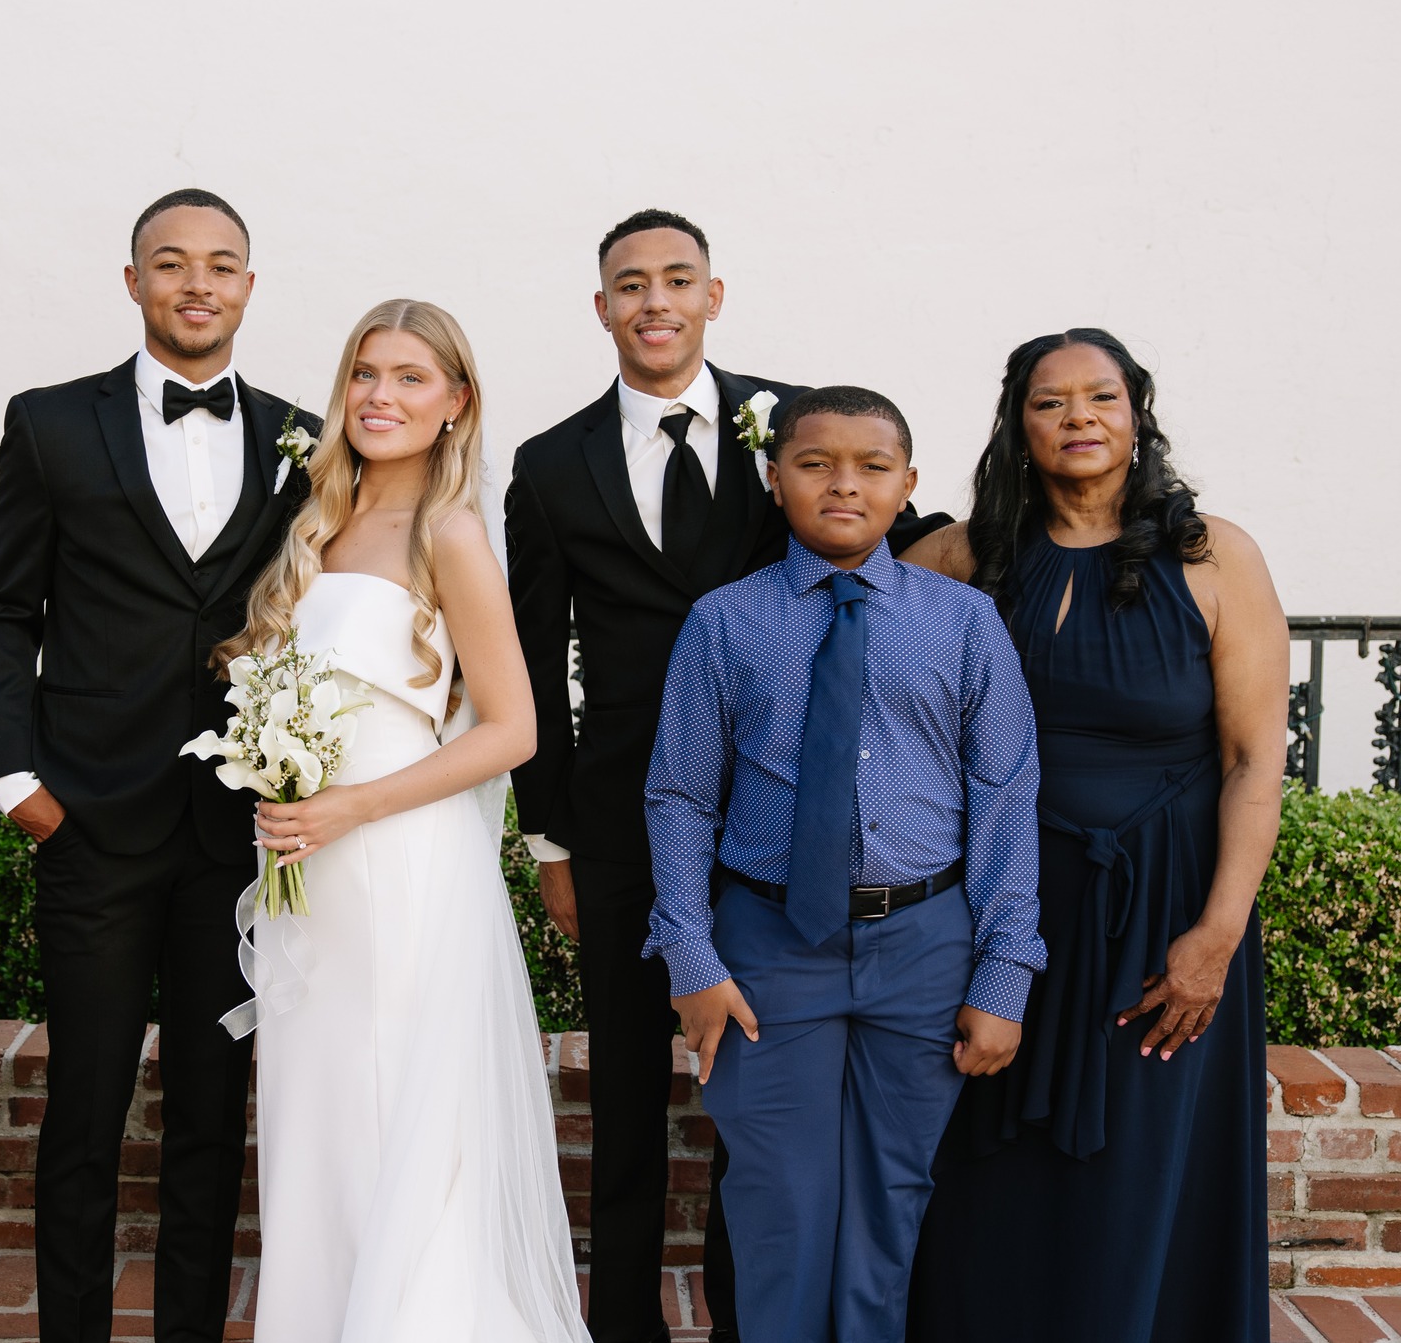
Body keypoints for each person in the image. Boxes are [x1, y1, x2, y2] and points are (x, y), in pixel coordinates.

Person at [504, 209, 947, 1343]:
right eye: (629, 284)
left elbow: (896, 535)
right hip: (621, 814)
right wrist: (549, 837)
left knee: (761, 1094)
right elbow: (530, 658)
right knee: (625, 1087)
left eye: (676, 279)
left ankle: (751, 1320)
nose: (653, 300)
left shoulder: (799, 428)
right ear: (601, 306)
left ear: (713, 296)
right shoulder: (548, 465)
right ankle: (623, 1322)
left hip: (778, 819)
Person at [0, 189, 318, 1343]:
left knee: (212, 1120)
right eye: (171, 263)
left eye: (220, 264)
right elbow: (6, 614)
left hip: (233, 837)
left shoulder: (302, 437)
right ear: (133, 282)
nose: (196, 283)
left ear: (248, 287)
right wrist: (15, 782)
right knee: (84, 1110)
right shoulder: (49, 423)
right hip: (88, 819)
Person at [904, 329, 1284, 1343]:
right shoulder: (959, 558)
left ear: (1135, 415)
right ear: (1016, 426)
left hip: (1162, 912)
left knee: (1140, 1161)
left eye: (1100, 397)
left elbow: (1253, 760)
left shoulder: (1214, 556)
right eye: (1049, 402)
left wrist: (1215, 938)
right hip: (1001, 906)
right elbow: (852, 654)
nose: (1077, 417)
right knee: (987, 1156)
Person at [645, 386, 1046, 1343]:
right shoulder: (724, 622)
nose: (844, 484)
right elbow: (681, 797)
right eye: (816, 463)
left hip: (924, 944)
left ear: (908, 484)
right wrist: (692, 958)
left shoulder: (965, 622)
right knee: (777, 1200)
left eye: (872, 466)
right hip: (769, 946)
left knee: (890, 1201)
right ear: (775, 477)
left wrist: (1005, 971)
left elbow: (1005, 795)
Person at [227, 298, 587, 1343]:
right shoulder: (312, 522)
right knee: (319, 1104)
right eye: (364, 373)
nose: (379, 397)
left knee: (392, 1102)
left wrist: (352, 805)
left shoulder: (450, 533)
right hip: (311, 867)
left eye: (409, 378)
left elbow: (512, 729)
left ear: (455, 402)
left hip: (396, 856)